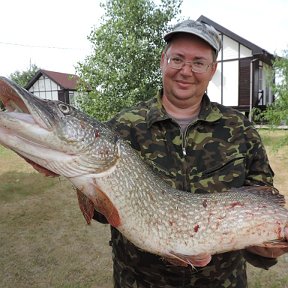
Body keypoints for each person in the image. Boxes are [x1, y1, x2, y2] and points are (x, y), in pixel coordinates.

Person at [93, 19, 288, 288]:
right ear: (163, 61)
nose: (186, 70)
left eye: (198, 62)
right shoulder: (124, 127)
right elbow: (102, 214)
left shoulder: (241, 129)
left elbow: (259, 203)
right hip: (140, 281)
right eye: (177, 59)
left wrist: (268, 247)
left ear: (212, 70)